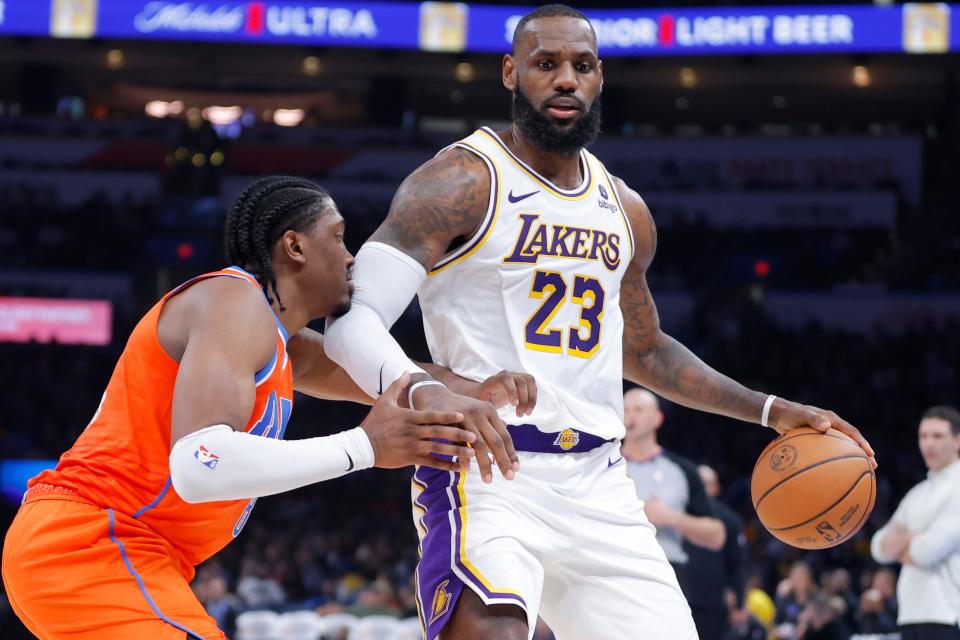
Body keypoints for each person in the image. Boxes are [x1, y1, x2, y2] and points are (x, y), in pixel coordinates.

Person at [322, 5, 876, 638]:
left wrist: (772, 409)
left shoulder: (625, 209)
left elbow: (647, 353)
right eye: (545, 64)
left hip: (601, 483)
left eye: (581, 66)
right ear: (510, 73)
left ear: (600, 77)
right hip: (487, 473)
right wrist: (429, 388)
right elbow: (349, 325)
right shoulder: (459, 181)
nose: (566, 79)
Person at [0, 176, 515, 639]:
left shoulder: (280, 344)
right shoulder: (234, 302)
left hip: (138, 555)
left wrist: (477, 386)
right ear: (294, 246)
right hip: (90, 542)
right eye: (338, 236)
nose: (352, 256)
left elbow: (396, 378)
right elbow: (199, 463)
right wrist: (364, 446)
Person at [620, 389, 726, 588]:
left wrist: (670, 517)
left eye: (639, 409)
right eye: (625, 410)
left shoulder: (682, 470)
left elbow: (717, 535)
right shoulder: (602, 465)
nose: (631, 415)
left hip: (667, 570)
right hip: (614, 568)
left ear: (657, 418)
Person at [871, 405, 960, 640]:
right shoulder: (916, 494)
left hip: (948, 612)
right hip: (909, 614)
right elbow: (878, 547)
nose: (929, 443)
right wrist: (915, 538)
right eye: (923, 436)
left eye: (937, 436)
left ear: (957, 441)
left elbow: (926, 551)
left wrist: (904, 542)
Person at [687, 463, 749, 638]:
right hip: (679, 598)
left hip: (713, 604)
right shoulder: (675, 515)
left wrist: (739, 604)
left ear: (715, 487)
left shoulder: (730, 521)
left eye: (704, 483)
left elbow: (738, 564)